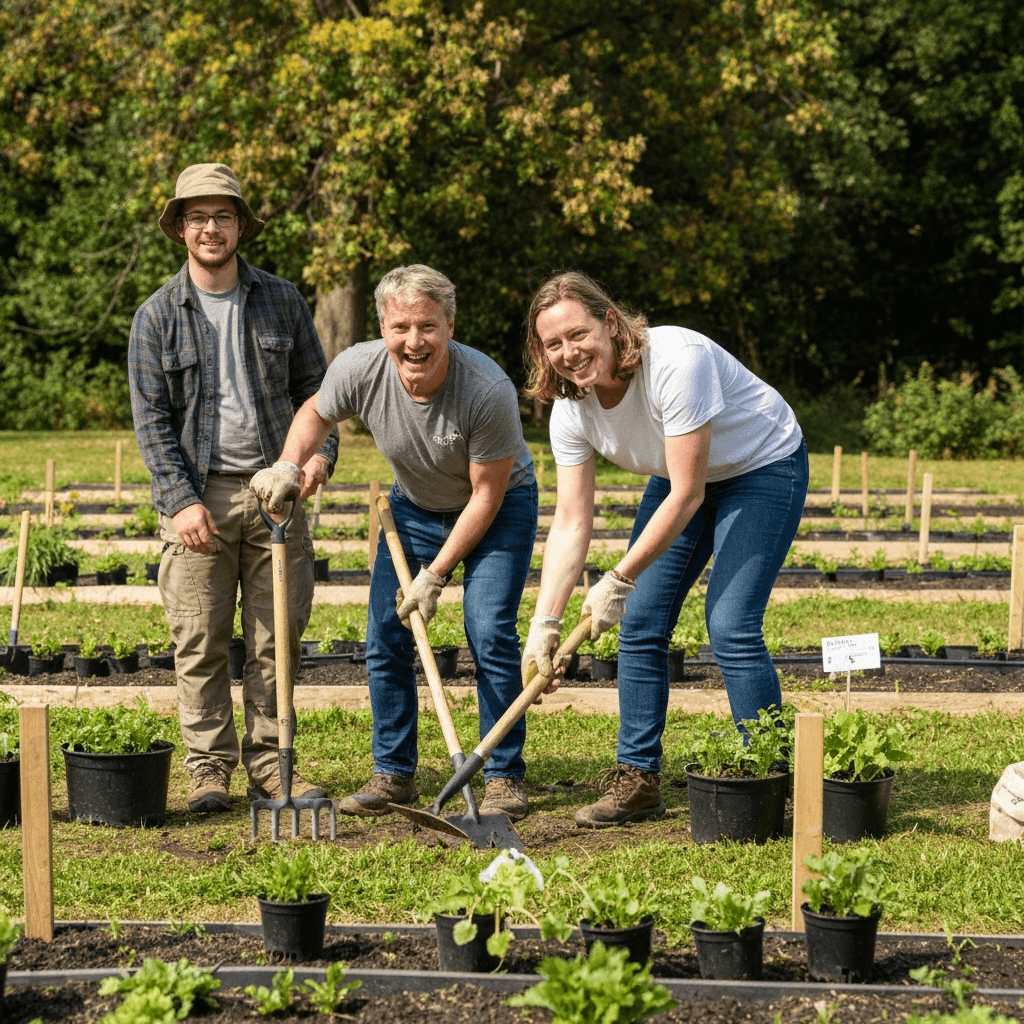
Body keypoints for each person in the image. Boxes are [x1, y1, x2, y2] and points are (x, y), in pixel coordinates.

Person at [251, 264, 538, 821]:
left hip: (497, 510)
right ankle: (393, 772)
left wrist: (436, 575)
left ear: (450, 326)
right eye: (400, 326)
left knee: (488, 630)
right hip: (411, 507)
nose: (414, 341)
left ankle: (503, 773)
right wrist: (290, 462)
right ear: (382, 326)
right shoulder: (358, 367)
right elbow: (316, 412)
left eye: (427, 326)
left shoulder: (487, 390)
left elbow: (485, 496)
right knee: (386, 632)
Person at [521, 271, 807, 828]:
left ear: (610, 323)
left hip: (761, 465)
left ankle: (774, 779)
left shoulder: (678, 360)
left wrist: (616, 578)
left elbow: (688, 493)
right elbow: (572, 521)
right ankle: (638, 779)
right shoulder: (569, 411)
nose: (569, 352)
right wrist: (544, 623)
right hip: (679, 477)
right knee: (642, 624)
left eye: (579, 334)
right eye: (553, 343)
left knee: (730, 623)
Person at [128, 163, 338, 813]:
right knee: (199, 641)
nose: (211, 228)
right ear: (181, 229)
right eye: (198, 217)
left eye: (223, 216)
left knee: (277, 642)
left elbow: (318, 392)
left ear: (241, 225)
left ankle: (274, 766)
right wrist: (181, 500)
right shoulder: (157, 316)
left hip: (277, 493)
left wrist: (318, 457)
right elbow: (152, 420)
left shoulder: (282, 299)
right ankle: (208, 770)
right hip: (201, 497)